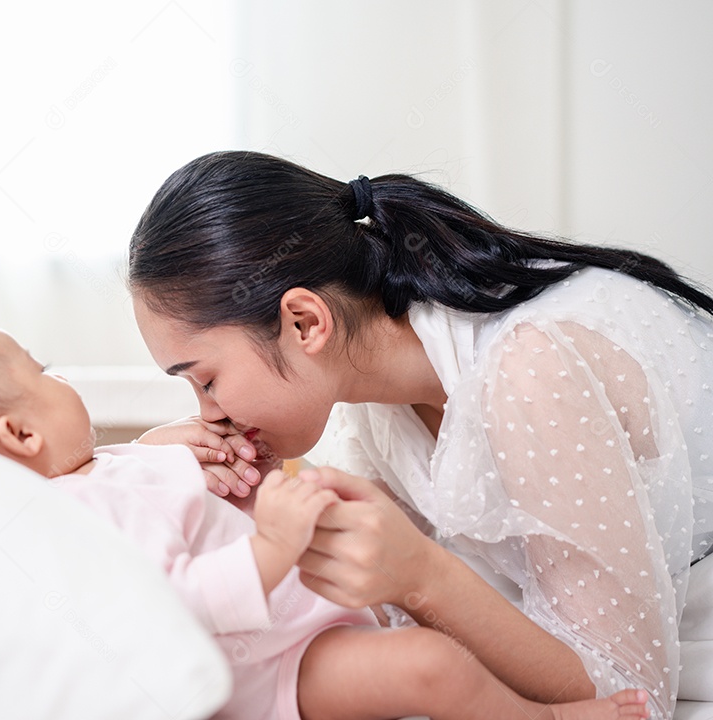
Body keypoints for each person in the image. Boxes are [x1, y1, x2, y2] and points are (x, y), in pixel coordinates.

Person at [126, 150, 713, 720]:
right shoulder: (371, 394)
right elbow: (364, 618)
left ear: (305, 323)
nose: (209, 414)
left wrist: (424, 578)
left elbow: (630, 701)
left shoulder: (529, 370)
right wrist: (167, 480)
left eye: (205, 380)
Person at [0, 323, 650, 720]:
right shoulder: (75, 521)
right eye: (40, 374)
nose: (59, 378)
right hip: (265, 672)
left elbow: (149, 481)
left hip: (293, 633)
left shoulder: (91, 473)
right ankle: (547, 719)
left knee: (426, 660)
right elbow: (169, 603)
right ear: (21, 436)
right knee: (427, 668)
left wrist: (184, 450)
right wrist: (272, 545)